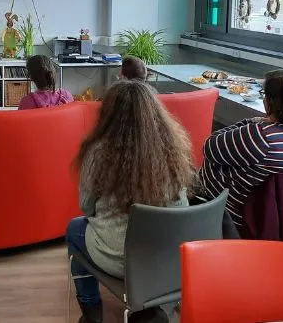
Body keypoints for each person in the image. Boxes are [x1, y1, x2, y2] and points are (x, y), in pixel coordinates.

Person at [67, 80, 196, 323]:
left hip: (120, 259)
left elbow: (86, 207)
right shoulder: (175, 148)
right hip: (169, 256)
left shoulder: (98, 152)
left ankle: (91, 314)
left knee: (74, 229)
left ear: (108, 114)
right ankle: (151, 308)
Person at [196, 70, 283, 227]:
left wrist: (254, 121)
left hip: (244, 211)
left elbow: (210, 146)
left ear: (273, 103)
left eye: (265, 95)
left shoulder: (263, 136)